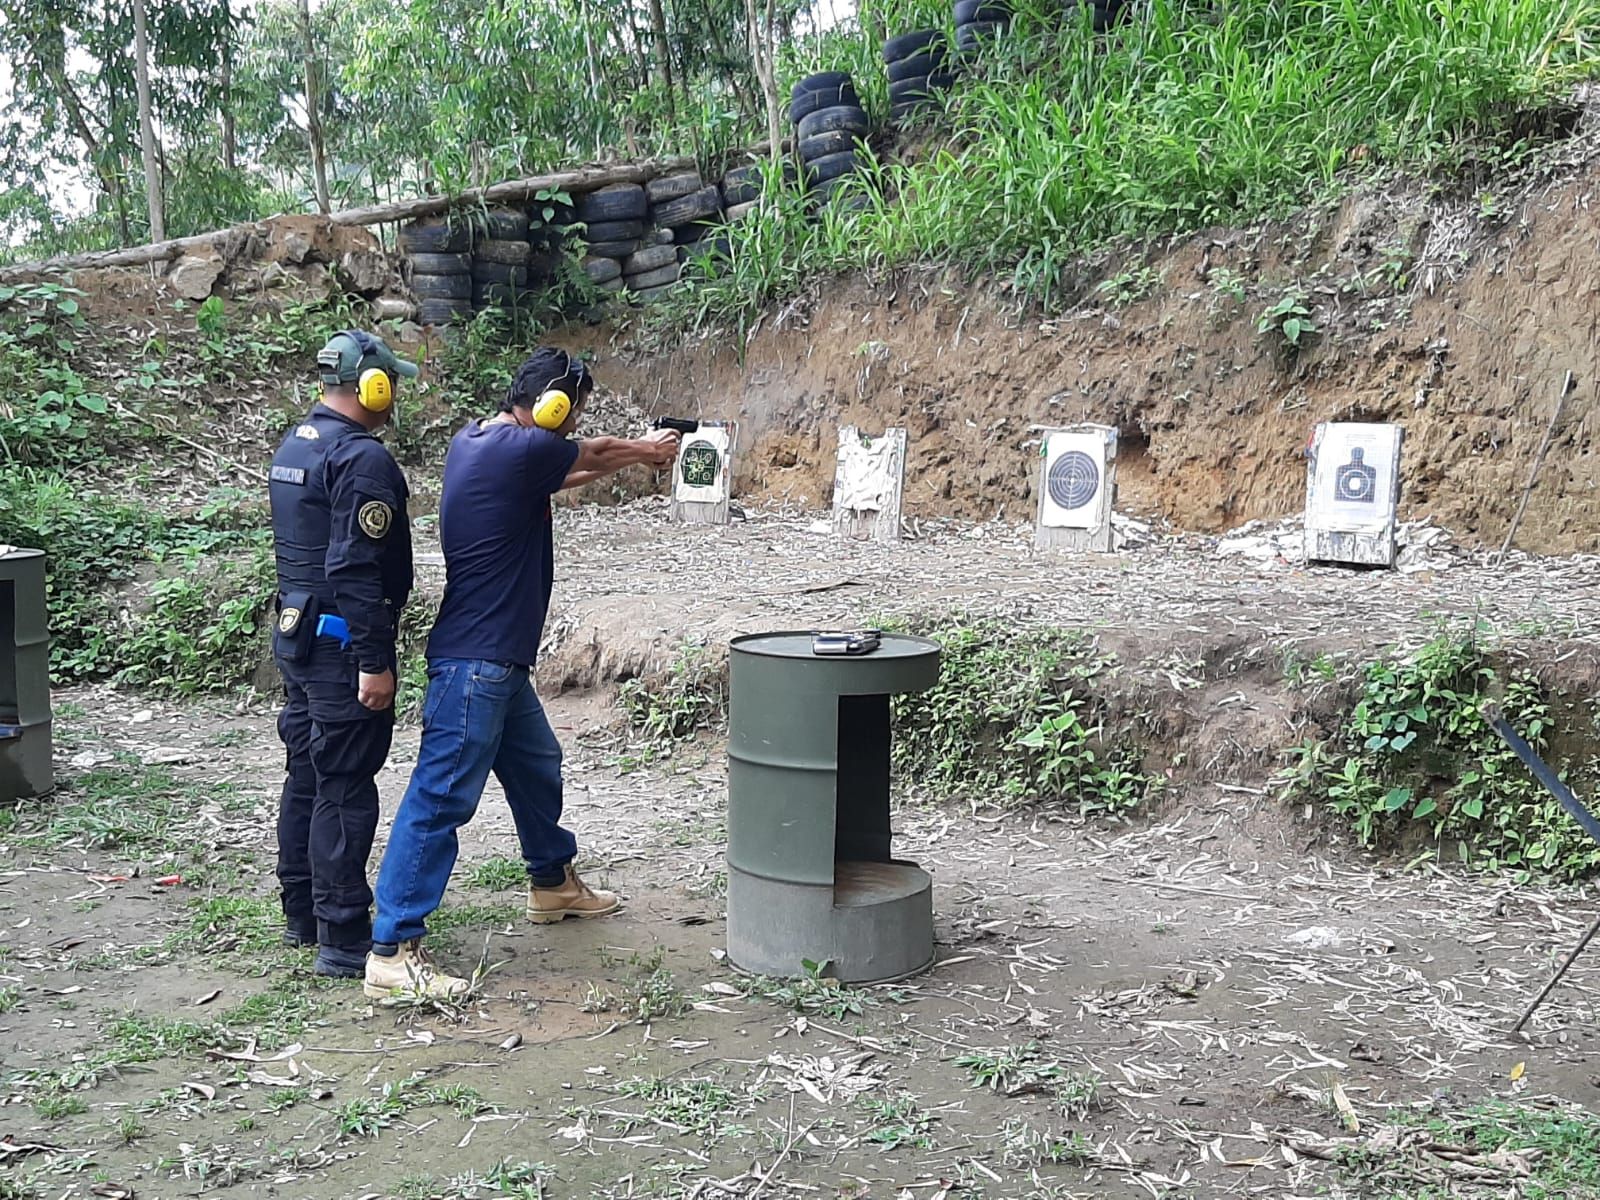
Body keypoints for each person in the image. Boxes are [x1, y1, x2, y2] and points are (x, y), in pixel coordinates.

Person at [363, 347, 680, 999]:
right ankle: (392, 950)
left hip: (494, 664)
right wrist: (649, 451)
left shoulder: (480, 442)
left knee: (537, 766)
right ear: (553, 407)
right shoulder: (526, 451)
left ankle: (552, 882)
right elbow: (591, 456)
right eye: (570, 415)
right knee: (440, 796)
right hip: (477, 666)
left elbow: (564, 471)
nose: (571, 427)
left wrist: (629, 454)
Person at [269, 329, 417, 978]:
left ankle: (302, 913)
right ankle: (343, 936)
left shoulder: (296, 445)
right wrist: (374, 659)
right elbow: (356, 568)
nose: (396, 397)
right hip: (339, 647)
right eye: (391, 384)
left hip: (301, 637)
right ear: (371, 386)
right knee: (345, 788)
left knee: (307, 775)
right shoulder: (362, 461)